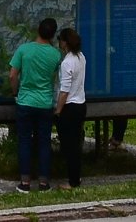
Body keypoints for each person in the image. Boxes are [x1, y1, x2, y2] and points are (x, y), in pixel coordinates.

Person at [7, 16, 60, 192]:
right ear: (53, 35)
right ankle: (44, 182)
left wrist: (15, 93)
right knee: (44, 142)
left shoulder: (24, 50)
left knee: (24, 141)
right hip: (45, 103)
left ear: (38, 30)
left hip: (25, 102)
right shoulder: (55, 55)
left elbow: (12, 75)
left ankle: (25, 182)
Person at [54, 26, 87, 189]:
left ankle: (72, 181)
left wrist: (58, 111)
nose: (58, 42)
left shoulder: (67, 62)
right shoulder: (81, 57)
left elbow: (64, 90)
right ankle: (76, 177)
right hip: (81, 104)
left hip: (69, 107)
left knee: (69, 146)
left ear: (65, 43)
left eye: (60, 39)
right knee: (76, 144)